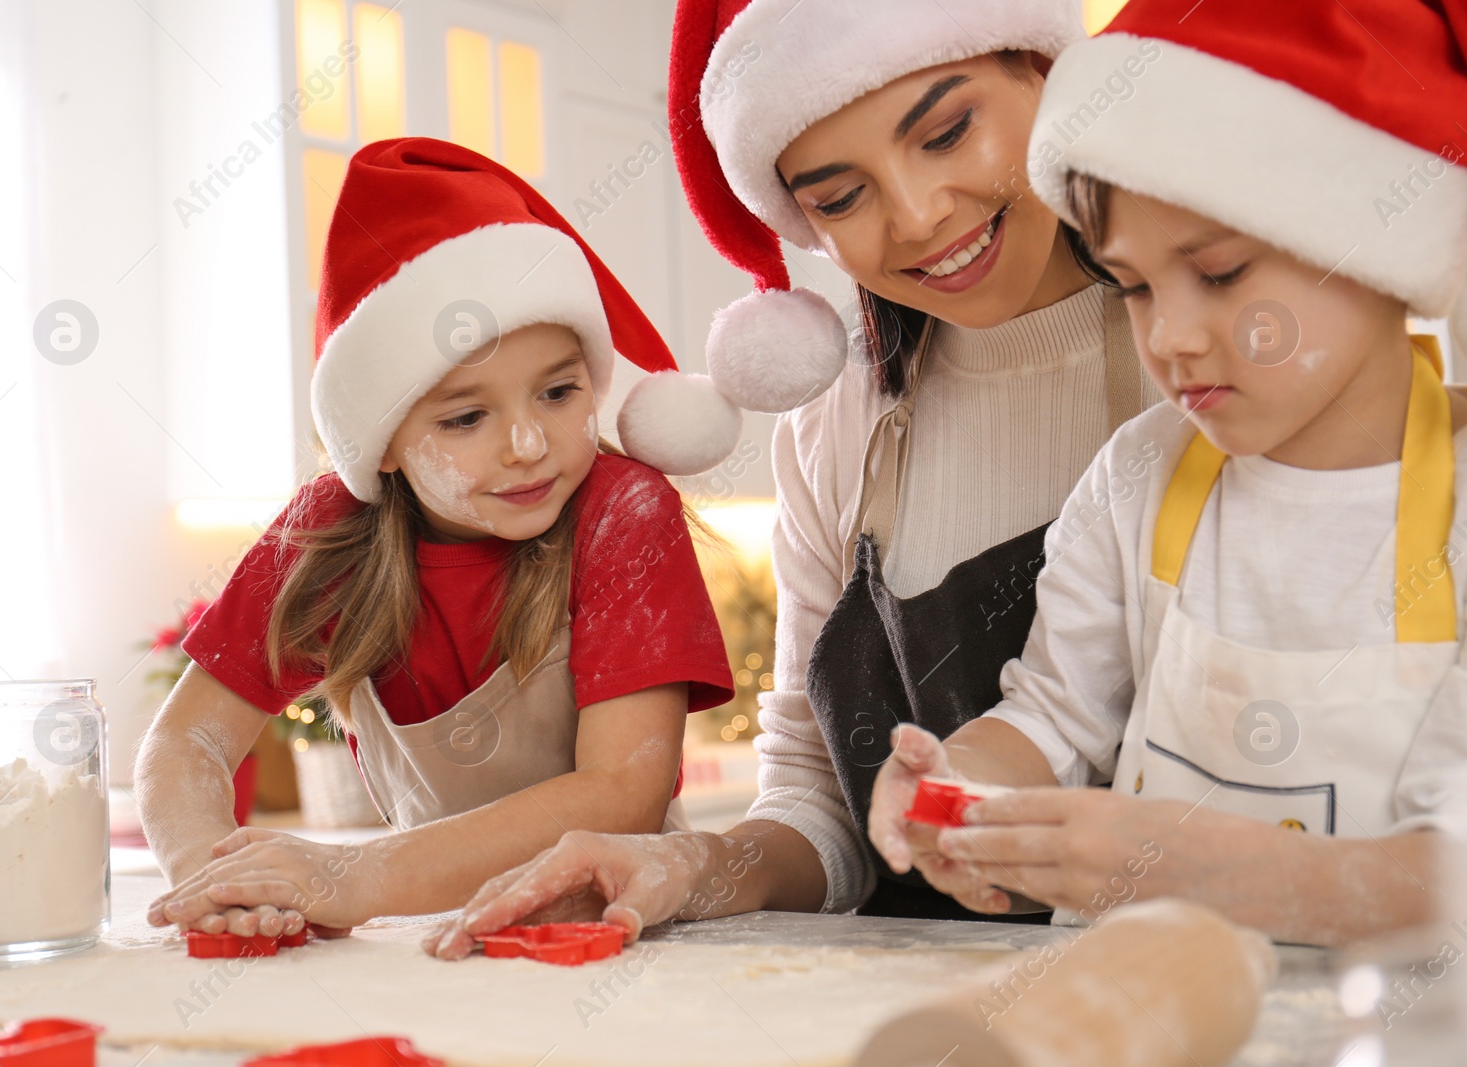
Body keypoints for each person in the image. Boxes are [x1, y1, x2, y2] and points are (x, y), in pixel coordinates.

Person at [426, 0, 1167, 959]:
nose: (917, 214)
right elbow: (820, 802)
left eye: (947, 131)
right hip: (916, 1005)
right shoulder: (839, 422)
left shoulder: (1200, 367)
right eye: (838, 196)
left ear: (1044, 70)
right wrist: (692, 870)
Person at [860, 0, 1467, 947]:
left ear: (1378, 248)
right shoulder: (1140, 476)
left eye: (1220, 274)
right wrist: (964, 788)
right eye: (1135, 286)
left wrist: (1228, 873)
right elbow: (1052, 723)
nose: (1170, 339)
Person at [137, 138, 737, 937]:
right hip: (438, 940)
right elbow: (184, 742)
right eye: (466, 416)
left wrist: (351, 874)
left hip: (620, 935)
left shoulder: (623, 511)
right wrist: (217, 882)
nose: (528, 443)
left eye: (558, 392)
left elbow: (620, 791)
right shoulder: (330, 534)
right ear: (381, 438)